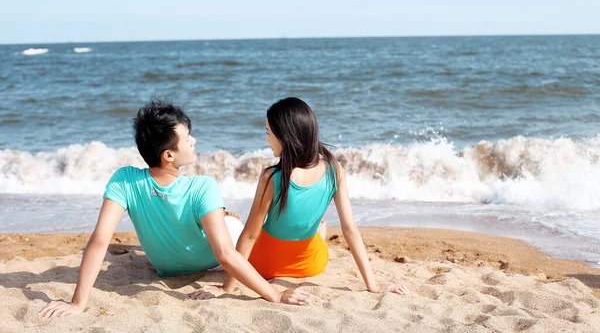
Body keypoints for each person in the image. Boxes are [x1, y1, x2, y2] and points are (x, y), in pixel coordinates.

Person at [39, 100, 310, 320]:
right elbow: (226, 254)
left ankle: (223, 216)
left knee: (217, 221)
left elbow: (99, 241)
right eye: (187, 138)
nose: (193, 141)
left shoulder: (124, 179)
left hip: (165, 268)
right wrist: (274, 295)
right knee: (246, 229)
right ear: (168, 154)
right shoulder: (202, 186)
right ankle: (229, 217)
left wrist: (78, 302)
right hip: (211, 260)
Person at [190, 97, 408, 300]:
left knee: (236, 228)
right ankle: (318, 230)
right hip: (311, 264)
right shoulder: (335, 170)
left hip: (264, 265)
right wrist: (373, 286)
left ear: (284, 137)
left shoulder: (272, 177)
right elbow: (350, 229)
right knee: (320, 225)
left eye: (268, 133)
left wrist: (226, 287)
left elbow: (250, 235)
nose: (266, 139)